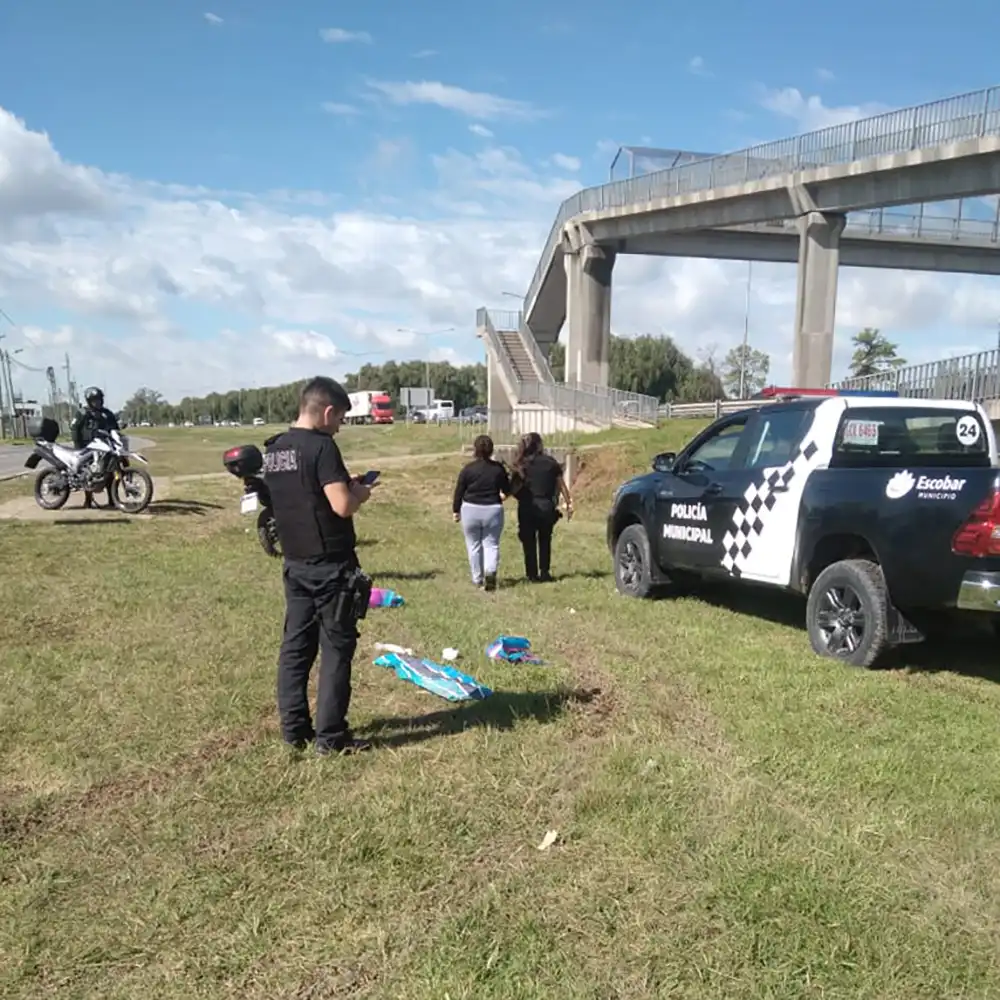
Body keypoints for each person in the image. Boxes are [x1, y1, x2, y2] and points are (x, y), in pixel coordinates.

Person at [263, 376, 375, 756]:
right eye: (341, 417)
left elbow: (304, 492)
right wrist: (360, 491)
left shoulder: (275, 449)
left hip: (295, 563)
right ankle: (331, 737)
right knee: (336, 650)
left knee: (295, 648)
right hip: (331, 567)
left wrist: (343, 482)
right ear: (327, 411)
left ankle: (294, 729)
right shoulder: (323, 447)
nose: (341, 425)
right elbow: (341, 505)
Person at [510, 432, 573, 583]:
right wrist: (569, 502)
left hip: (527, 506)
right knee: (545, 539)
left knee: (528, 540)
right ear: (539, 445)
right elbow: (561, 484)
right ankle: (544, 571)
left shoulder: (520, 465)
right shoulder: (550, 462)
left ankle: (531, 574)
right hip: (546, 506)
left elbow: (513, 488)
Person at [452, 434, 511, 591]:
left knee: (473, 545)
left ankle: (477, 579)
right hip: (492, 509)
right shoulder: (498, 469)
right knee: (491, 544)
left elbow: (459, 491)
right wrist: (503, 496)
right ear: (491, 450)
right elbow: (507, 489)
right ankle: (490, 572)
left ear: (475, 450)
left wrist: (455, 510)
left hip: (470, 509)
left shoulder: (468, 469)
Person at [70, 386, 119, 509]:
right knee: (89, 474)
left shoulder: (107, 414)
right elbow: (74, 429)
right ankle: (88, 500)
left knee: (111, 473)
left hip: (106, 447)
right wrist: (78, 447)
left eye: (99, 399)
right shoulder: (82, 413)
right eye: (94, 400)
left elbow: (115, 428)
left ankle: (112, 499)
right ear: (89, 401)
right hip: (87, 448)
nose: (97, 402)